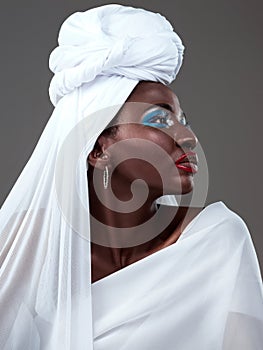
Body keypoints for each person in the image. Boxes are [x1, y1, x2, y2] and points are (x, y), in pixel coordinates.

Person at [0, 4, 262, 350]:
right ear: (97, 148)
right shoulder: (29, 258)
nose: (188, 138)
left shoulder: (216, 245)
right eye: (159, 119)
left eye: (186, 120)